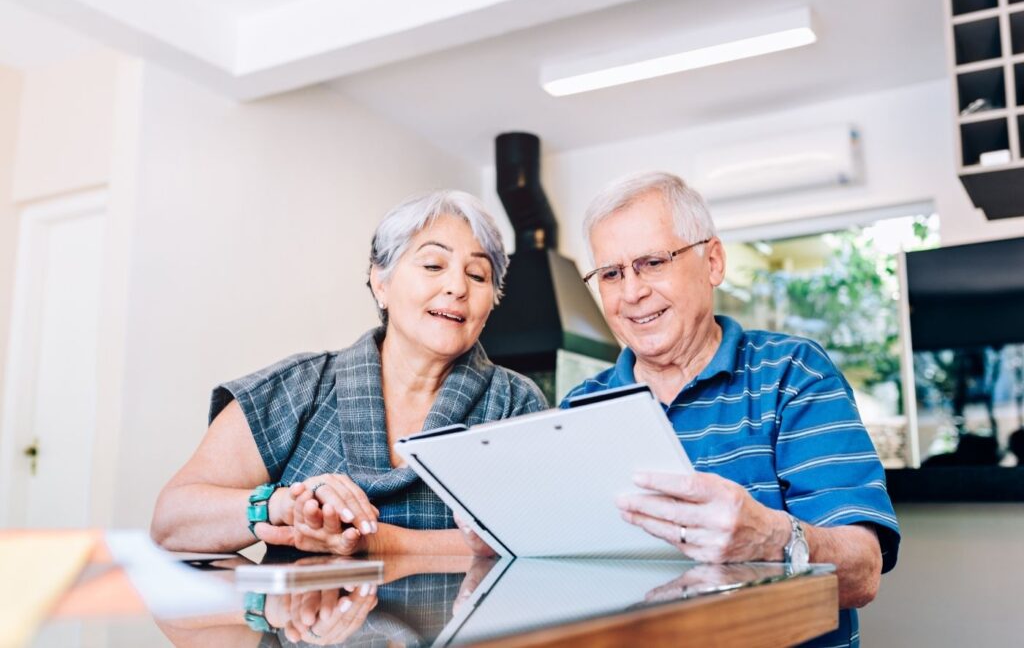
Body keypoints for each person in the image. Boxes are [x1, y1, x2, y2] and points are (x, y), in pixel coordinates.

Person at [561, 172, 900, 648]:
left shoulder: (794, 373)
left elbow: (863, 572)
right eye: (611, 274)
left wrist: (772, 539)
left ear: (713, 262)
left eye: (652, 263)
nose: (631, 292)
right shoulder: (578, 408)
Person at [151, 191, 546, 566]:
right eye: (433, 265)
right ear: (381, 282)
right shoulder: (299, 386)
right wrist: (284, 505)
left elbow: (540, 539)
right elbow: (171, 520)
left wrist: (378, 542)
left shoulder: (515, 404)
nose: (457, 287)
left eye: (477, 275)